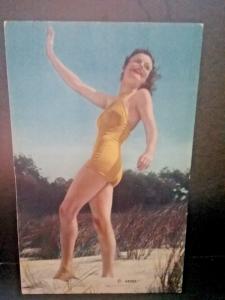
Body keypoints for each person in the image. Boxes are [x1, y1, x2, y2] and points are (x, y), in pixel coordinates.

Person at [46, 25, 158, 281]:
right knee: (100, 222)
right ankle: (108, 277)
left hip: (103, 160)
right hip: (110, 167)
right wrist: (51, 52)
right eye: (137, 61)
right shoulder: (110, 101)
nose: (141, 66)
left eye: (147, 67)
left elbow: (152, 126)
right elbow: (77, 84)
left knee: (66, 210)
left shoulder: (141, 96)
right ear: (126, 65)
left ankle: (65, 269)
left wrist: (149, 150)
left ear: (145, 79)